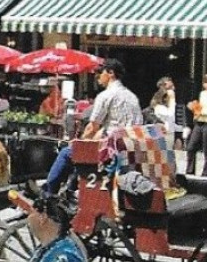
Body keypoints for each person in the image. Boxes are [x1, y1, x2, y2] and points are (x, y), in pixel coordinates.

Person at [43, 58, 143, 196]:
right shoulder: (132, 97)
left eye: (100, 73)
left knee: (66, 153)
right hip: (129, 147)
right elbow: (109, 126)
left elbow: (92, 127)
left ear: (110, 73)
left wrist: (79, 142)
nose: (97, 77)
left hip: (111, 151)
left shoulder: (106, 95)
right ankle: (71, 190)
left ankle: (48, 193)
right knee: (79, 153)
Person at [150, 76, 178, 142]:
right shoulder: (159, 107)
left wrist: (181, 129)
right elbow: (170, 114)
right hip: (161, 135)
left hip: (168, 134)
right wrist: (172, 98)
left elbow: (170, 122)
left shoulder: (167, 107)